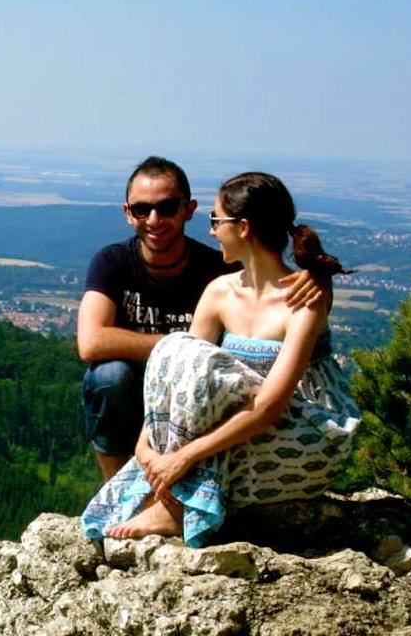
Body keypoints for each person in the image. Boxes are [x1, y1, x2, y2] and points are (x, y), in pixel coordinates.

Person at [81, 171, 360, 547]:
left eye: (216, 220)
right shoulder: (220, 292)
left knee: (199, 381)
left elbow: (269, 406)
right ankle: (172, 495)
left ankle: (176, 507)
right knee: (179, 350)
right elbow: (178, 375)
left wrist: (183, 458)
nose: (211, 231)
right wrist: (146, 444)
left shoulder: (302, 300)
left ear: (243, 228)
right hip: (243, 421)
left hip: (303, 427)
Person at [77, 157, 323, 481]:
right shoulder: (113, 263)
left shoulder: (218, 272)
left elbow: (268, 278)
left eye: (166, 208)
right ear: (128, 213)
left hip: (203, 400)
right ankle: (117, 486)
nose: (154, 219)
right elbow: (92, 343)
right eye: (141, 209)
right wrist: (179, 346)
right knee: (109, 376)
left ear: (187, 209)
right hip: (139, 389)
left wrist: (320, 278)